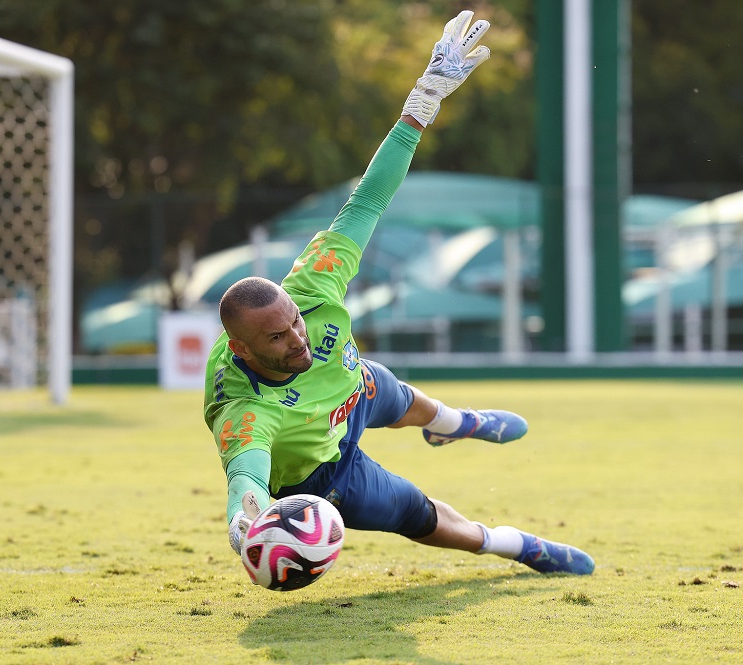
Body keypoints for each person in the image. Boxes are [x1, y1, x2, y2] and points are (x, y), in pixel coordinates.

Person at [203, 10, 595, 578]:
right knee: (420, 515)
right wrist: (250, 521)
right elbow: (247, 477)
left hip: (353, 389)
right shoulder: (245, 412)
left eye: (293, 322)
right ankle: (515, 545)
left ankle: (456, 423)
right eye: (277, 337)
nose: (296, 337)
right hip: (322, 471)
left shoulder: (313, 284)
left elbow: (367, 201)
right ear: (242, 351)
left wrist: (423, 100)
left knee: (393, 392)